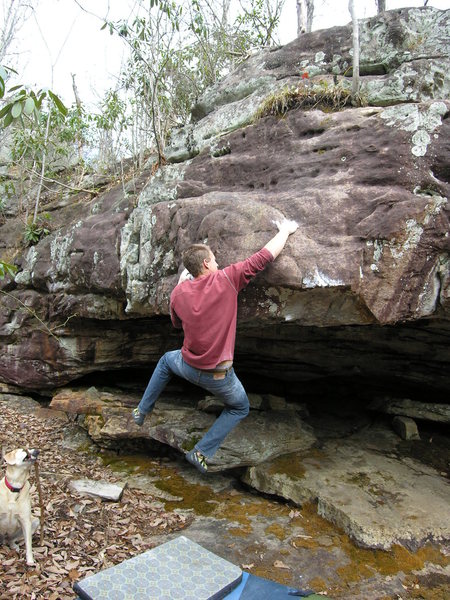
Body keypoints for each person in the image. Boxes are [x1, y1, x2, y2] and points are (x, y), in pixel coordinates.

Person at [131, 217, 298, 473]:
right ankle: (201, 452)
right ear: (207, 263)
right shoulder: (227, 279)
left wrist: (179, 286)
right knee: (240, 407)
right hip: (220, 376)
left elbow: (176, 324)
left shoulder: (178, 293)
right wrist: (285, 230)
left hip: (187, 365)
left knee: (166, 361)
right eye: (215, 260)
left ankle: (142, 411)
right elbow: (264, 256)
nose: (219, 263)